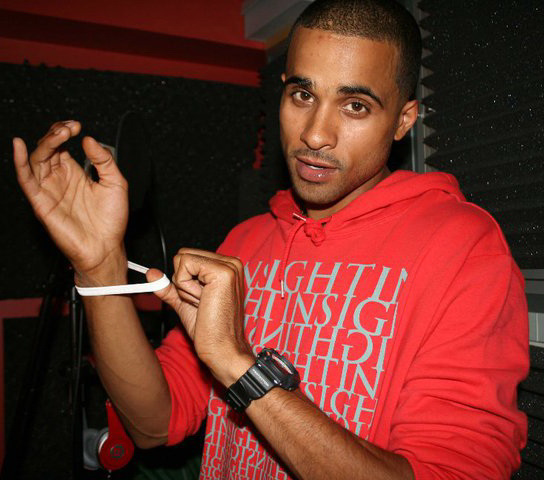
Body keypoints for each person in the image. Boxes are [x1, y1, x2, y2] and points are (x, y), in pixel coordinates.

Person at [13, 0, 528, 478]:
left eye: (354, 105)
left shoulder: (465, 249)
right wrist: (100, 268)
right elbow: (153, 424)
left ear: (403, 121)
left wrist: (239, 366)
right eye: (302, 95)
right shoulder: (247, 239)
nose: (315, 134)